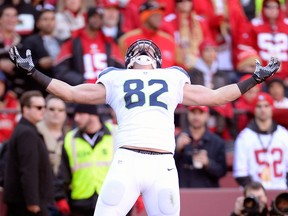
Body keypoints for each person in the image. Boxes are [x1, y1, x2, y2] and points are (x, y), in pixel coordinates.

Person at [8, 39, 280, 216]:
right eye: (140, 49)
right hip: (132, 160)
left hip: (159, 165)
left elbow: (217, 97)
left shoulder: (167, 78)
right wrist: (33, 72)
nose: (144, 52)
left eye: (148, 49)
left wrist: (255, 79)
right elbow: (71, 93)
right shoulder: (121, 78)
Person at [54, 103, 114, 216]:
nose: (76, 118)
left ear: (93, 115)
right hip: (80, 205)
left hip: (112, 203)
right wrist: (60, 197)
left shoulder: (115, 134)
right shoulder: (70, 139)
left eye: (80, 114)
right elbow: (62, 172)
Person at [3, 90, 54, 216]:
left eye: (44, 107)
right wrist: (33, 202)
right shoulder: (26, 133)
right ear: (25, 109)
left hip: (26, 202)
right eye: (38, 107)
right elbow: (28, 169)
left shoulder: (27, 130)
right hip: (26, 205)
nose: (43, 110)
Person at [233, 92, 288, 190]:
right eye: (259, 106)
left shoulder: (283, 134)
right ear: (253, 109)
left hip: (281, 191)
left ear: (272, 108)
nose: (263, 109)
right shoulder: (244, 137)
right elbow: (240, 174)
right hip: (254, 195)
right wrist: (255, 191)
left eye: (266, 106)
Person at [174, 105, 227, 188]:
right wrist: (177, 149)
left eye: (200, 113)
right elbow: (165, 169)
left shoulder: (217, 142)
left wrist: (208, 163)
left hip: (208, 194)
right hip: (183, 192)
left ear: (207, 115)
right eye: (193, 112)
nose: (196, 117)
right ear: (188, 114)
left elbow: (222, 172)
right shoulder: (177, 139)